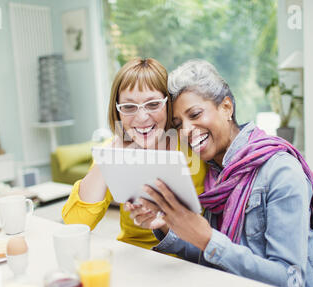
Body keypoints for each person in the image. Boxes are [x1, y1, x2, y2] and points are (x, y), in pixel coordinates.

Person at [129, 59, 313, 287]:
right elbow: (212, 256)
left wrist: (208, 239)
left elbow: (290, 281)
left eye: (195, 114)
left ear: (226, 107)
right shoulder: (215, 176)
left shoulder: (280, 171)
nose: (186, 130)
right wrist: (169, 224)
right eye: (178, 124)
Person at [62, 58, 206, 250]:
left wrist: (161, 221)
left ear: (168, 104)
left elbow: (203, 237)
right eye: (129, 107)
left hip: (184, 260)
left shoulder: (192, 150)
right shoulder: (111, 151)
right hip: (132, 256)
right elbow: (75, 225)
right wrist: (112, 152)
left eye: (153, 104)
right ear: (118, 111)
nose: (141, 118)